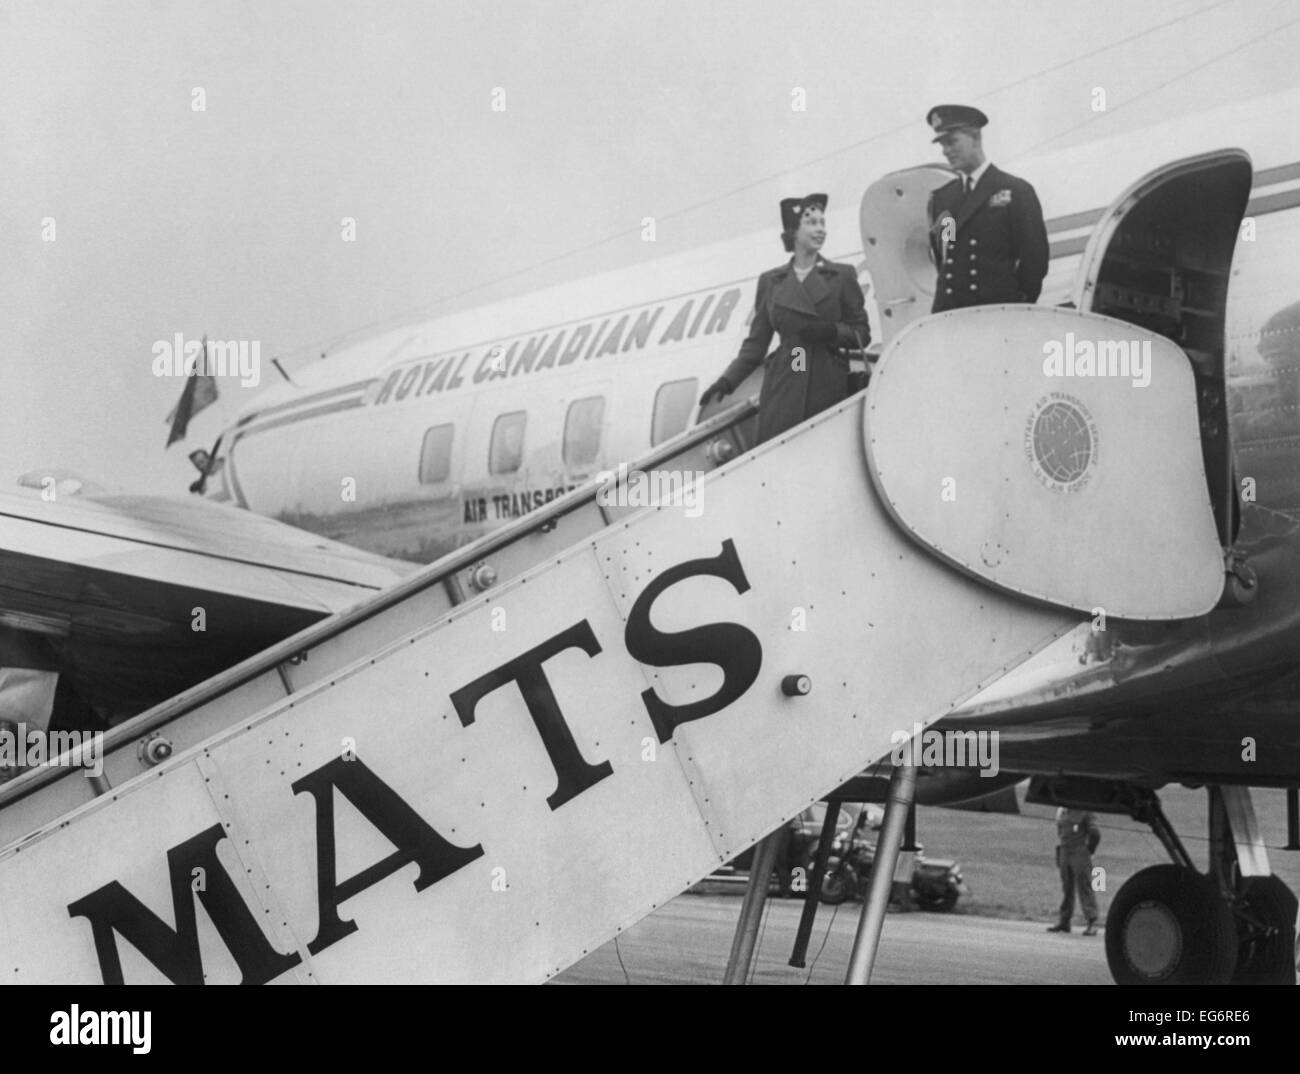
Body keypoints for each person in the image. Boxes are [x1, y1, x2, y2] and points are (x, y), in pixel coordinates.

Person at [699, 194, 870, 444]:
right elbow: (756, 345)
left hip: (827, 381)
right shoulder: (771, 281)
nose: (820, 229)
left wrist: (831, 331)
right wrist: (727, 381)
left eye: (823, 223)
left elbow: (862, 333)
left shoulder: (842, 276)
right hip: (786, 380)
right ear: (793, 231)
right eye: (811, 223)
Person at [925, 105, 1049, 313]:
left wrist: (1019, 304)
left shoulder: (1015, 191)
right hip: (951, 315)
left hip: (997, 313)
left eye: (952, 142)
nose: (946, 151)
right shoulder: (943, 199)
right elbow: (945, 254)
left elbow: (1034, 259)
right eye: (943, 145)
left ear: (975, 138)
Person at [1048, 806, 1101, 935]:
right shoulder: (1062, 810)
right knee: (1067, 887)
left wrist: (1089, 850)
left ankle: (1092, 921)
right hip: (1065, 850)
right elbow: (1060, 829)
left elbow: (1095, 833)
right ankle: (1065, 920)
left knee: (1084, 886)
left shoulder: (1086, 810)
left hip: (1080, 851)